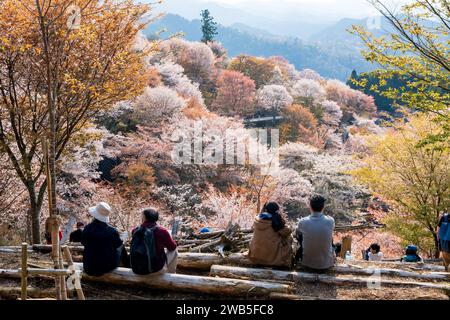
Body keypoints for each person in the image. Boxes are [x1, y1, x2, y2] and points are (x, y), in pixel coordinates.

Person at [81, 202, 128, 276]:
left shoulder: (87, 228)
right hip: (106, 267)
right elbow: (117, 245)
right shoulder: (112, 231)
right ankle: (128, 265)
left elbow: (83, 242)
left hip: (88, 266)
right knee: (121, 245)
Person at [130, 208, 178, 274]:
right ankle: (170, 274)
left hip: (136, 269)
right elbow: (172, 247)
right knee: (174, 250)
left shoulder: (135, 230)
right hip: (155, 270)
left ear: (144, 217)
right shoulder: (161, 231)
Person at [295, 194, 335, 271]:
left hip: (307, 263)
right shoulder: (330, 221)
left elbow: (297, 234)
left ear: (310, 206)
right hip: (326, 264)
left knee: (300, 236)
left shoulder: (303, 221)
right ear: (323, 207)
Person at [248, 202, 293, 268]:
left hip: (255, 256)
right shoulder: (275, 220)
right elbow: (287, 232)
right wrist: (287, 226)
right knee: (289, 238)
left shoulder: (258, 219)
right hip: (272, 259)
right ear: (276, 210)